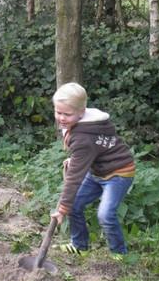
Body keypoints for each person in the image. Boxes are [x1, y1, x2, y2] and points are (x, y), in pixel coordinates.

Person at [50, 82, 135, 257]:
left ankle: (119, 253)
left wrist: (62, 208)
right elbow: (97, 148)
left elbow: (74, 177)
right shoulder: (89, 123)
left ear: (81, 112)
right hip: (99, 170)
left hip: (119, 173)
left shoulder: (84, 138)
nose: (62, 118)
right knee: (75, 205)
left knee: (105, 215)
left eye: (67, 114)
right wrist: (76, 158)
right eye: (58, 112)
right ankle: (79, 245)